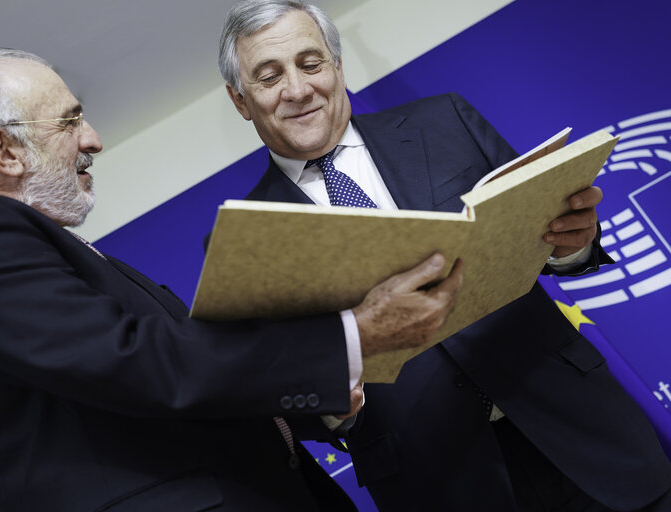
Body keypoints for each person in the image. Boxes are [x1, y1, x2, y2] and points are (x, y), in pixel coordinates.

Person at [0, 46, 466, 512]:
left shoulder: (40, 248)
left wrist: (318, 406)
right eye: (70, 120)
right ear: (4, 150)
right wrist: (350, 337)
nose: (94, 139)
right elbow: (131, 361)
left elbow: (166, 386)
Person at [217, 1, 671, 511]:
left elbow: (557, 244)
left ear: (337, 65)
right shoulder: (246, 239)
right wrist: (330, 408)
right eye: (269, 75)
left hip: (586, 436)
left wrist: (574, 243)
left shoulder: (444, 120)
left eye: (311, 63)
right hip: (436, 483)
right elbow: (279, 396)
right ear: (240, 100)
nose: (297, 89)